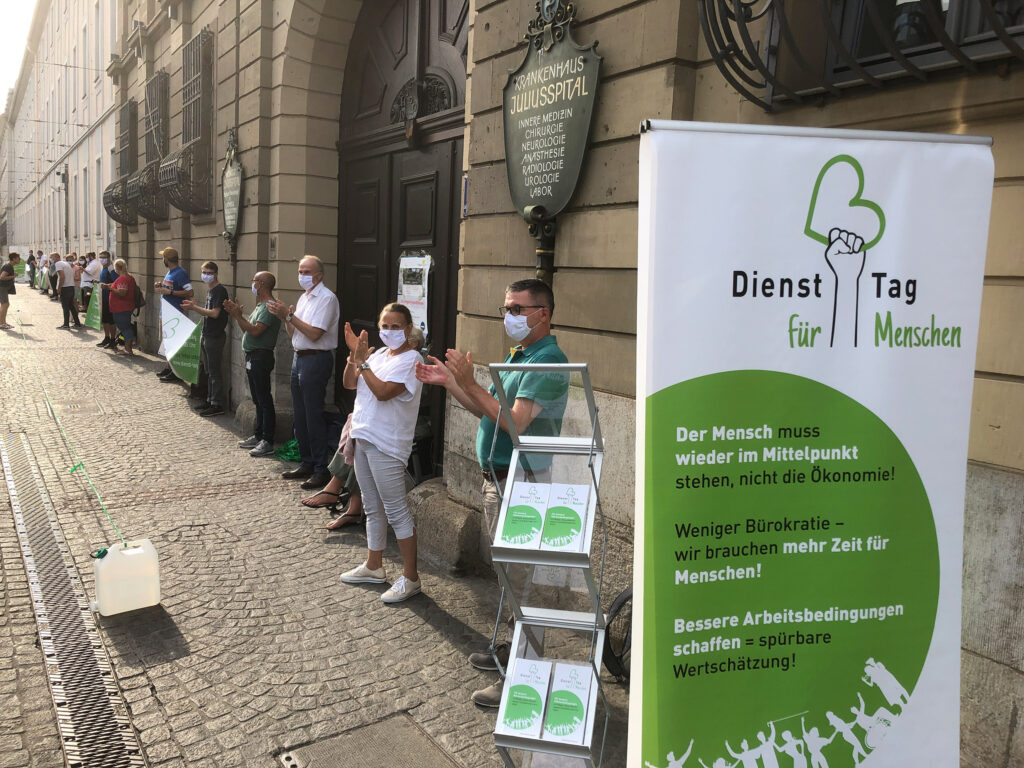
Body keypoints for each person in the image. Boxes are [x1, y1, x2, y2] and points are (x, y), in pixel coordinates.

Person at [415, 278, 568, 707]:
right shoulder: (521, 353)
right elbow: (487, 410)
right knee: (509, 575)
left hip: (522, 483)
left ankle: (523, 677)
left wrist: (473, 383)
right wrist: (451, 383)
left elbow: (515, 422)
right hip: (498, 480)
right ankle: (512, 653)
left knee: (522, 583)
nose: (509, 316)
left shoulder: (549, 361)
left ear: (543, 313)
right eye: (507, 308)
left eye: (518, 309)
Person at [338, 303, 424, 603]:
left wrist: (363, 364)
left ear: (408, 328)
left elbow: (384, 392)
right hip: (363, 435)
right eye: (385, 326)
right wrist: (354, 358)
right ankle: (374, 565)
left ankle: (411, 578)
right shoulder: (375, 355)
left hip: (388, 442)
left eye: (396, 326)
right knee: (372, 507)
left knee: (396, 509)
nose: (389, 331)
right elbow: (349, 383)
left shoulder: (412, 359)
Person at [267, 255, 340, 490]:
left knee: (313, 414)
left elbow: (315, 333)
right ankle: (306, 461)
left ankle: (321, 468)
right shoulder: (304, 297)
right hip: (300, 357)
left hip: (316, 359)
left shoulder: (327, 299)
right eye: (300, 270)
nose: (302, 275)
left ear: (319, 275)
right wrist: (285, 318)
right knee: (300, 415)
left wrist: (289, 317)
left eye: (307, 271)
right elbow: (295, 334)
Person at [224, 271, 281, 456]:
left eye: (254, 281)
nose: (253, 284)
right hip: (252, 356)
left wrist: (237, 316)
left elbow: (256, 331)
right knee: (257, 399)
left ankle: (267, 440)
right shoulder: (260, 306)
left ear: (262, 284)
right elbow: (246, 328)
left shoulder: (270, 306)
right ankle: (258, 435)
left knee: (264, 399)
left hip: (261, 357)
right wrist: (238, 315)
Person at [182, 261, 229, 417]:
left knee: (214, 371)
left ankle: (217, 404)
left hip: (215, 335)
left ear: (215, 274)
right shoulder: (211, 291)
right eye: (203, 272)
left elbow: (215, 313)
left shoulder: (219, 291)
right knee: (208, 371)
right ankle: (209, 399)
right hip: (207, 333)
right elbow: (208, 311)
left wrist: (194, 308)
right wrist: (195, 306)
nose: (205, 275)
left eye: (209, 273)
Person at [153, 247, 194, 381]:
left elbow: (190, 292)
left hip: (174, 313)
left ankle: (175, 372)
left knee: (172, 342)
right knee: (166, 342)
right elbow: (169, 288)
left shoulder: (180, 273)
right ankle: (169, 367)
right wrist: (161, 286)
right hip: (165, 311)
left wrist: (170, 292)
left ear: (167, 259)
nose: (162, 260)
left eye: (163, 257)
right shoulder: (170, 272)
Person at [101, 259, 137, 356]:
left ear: (118, 268)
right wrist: (110, 285)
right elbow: (120, 287)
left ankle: (128, 349)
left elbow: (122, 292)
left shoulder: (123, 278)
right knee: (125, 327)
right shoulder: (128, 277)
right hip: (124, 307)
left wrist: (110, 288)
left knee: (125, 328)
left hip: (122, 308)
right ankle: (127, 347)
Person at [96, 252, 119, 348]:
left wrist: (106, 285)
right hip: (104, 298)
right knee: (104, 320)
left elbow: (116, 283)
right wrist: (99, 282)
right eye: (100, 257)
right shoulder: (104, 268)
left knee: (111, 320)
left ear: (109, 258)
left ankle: (113, 340)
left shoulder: (111, 268)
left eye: (104, 257)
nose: (101, 259)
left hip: (111, 298)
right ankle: (106, 338)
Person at [54, 253, 82, 329]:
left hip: (65, 287)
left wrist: (59, 288)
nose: (51, 260)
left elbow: (62, 277)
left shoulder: (58, 264)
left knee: (65, 306)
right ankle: (77, 323)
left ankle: (66, 324)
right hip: (71, 286)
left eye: (52, 258)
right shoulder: (66, 264)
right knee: (71, 306)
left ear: (57, 257)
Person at [0, 252, 21, 330]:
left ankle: (3, 322)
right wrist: (13, 276)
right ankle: (2, 323)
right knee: (4, 304)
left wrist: (12, 275)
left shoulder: (9, 266)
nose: (19, 260)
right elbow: (2, 277)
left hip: (4, 288)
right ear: (14, 259)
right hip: (2, 287)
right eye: (18, 258)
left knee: (5, 304)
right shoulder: (8, 266)